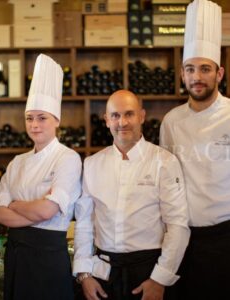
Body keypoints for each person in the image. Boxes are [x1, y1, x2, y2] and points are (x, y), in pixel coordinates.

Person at [73, 89, 190, 300]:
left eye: (129, 114)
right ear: (106, 120)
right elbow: (84, 223)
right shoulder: (91, 165)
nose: (122, 122)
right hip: (103, 273)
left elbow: (177, 225)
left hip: (148, 271)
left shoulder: (164, 162)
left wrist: (159, 279)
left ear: (142, 116)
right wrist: (84, 274)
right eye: (115, 116)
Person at [0, 54, 82, 300]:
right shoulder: (17, 162)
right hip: (17, 255)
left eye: (42, 118)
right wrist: (35, 209)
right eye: (30, 118)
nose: (35, 125)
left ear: (57, 120)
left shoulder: (68, 158)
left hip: (49, 256)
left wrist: (15, 204)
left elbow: (47, 212)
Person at [160, 0, 230, 299]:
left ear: (220, 73)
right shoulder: (171, 121)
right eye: (191, 69)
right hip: (181, 238)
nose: (197, 76)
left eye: (205, 69)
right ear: (182, 73)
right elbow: (165, 180)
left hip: (225, 237)